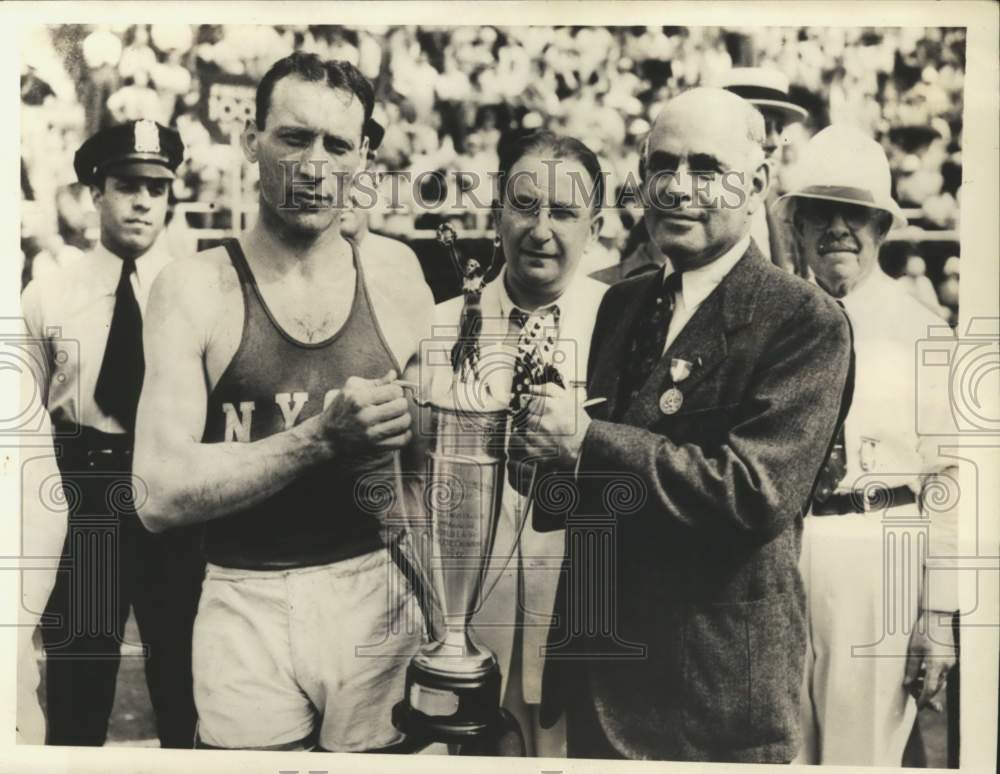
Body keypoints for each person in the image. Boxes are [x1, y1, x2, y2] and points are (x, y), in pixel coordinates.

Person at [514, 87, 854, 762]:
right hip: (600, 676)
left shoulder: (803, 320)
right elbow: (595, 495)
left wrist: (584, 443)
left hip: (711, 701)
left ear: (756, 181)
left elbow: (753, 495)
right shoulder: (624, 303)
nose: (676, 188)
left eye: (705, 168)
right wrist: (538, 462)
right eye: (660, 166)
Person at [132, 53, 435, 753]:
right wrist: (318, 440)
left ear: (363, 159)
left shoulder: (395, 273)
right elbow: (156, 494)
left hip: (375, 586)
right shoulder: (194, 287)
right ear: (251, 142)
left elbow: (431, 462)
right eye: (294, 138)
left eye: (336, 145)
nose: (314, 164)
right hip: (244, 595)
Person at [776, 124, 959, 766]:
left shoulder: (923, 331)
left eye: (854, 215)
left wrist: (938, 619)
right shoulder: (771, 322)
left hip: (882, 547)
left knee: (863, 757)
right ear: (795, 225)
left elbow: (951, 479)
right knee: (780, 750)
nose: (837, 230)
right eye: (819, 213)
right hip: (781, 549)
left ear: (882, 227)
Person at [21, 119, 203, 748]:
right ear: (95, 191)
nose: (144, 201)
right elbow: (22, 416)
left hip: (172, 489)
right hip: (87, 491)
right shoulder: (50, 293)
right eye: (127, 184)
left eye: (158, 186)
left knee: (186, 678)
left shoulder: (197, 289)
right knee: (80, 682)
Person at [428, 129, 608, 757]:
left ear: (595, 224)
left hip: (584, 631)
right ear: (496, 210)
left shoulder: (623, 324)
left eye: (564, 212)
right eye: (525, 206)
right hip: (469, 628)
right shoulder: (444, 324)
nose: (541, 229)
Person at [719, 67, 808, 273]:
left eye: (779, 129)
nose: (775, 142)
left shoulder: (786, 212)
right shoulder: (698, 206)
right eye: (763, 128)